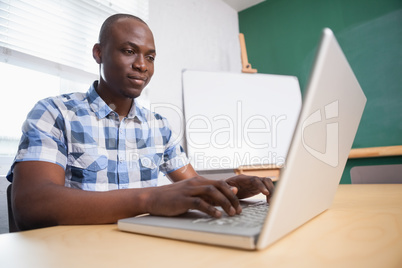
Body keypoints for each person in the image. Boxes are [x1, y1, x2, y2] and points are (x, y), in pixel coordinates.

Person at [6, 14, 274, 231]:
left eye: (150, 57)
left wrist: (233, 187)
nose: (142, 65)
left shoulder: (158, 125)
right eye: (129, 51)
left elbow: (193, 185)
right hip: (77, 252)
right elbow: (31, 205)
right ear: (99, 53)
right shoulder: (55, 112)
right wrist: (150, 198)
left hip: (141, 246)